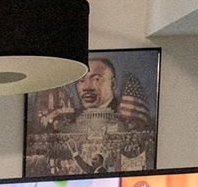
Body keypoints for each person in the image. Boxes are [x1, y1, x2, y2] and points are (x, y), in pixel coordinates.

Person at [26, 56, 155, 175]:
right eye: (81, 81)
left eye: (96, 79)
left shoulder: (128, 119)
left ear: (113, 84)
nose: (87, 87)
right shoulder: (70, 118)